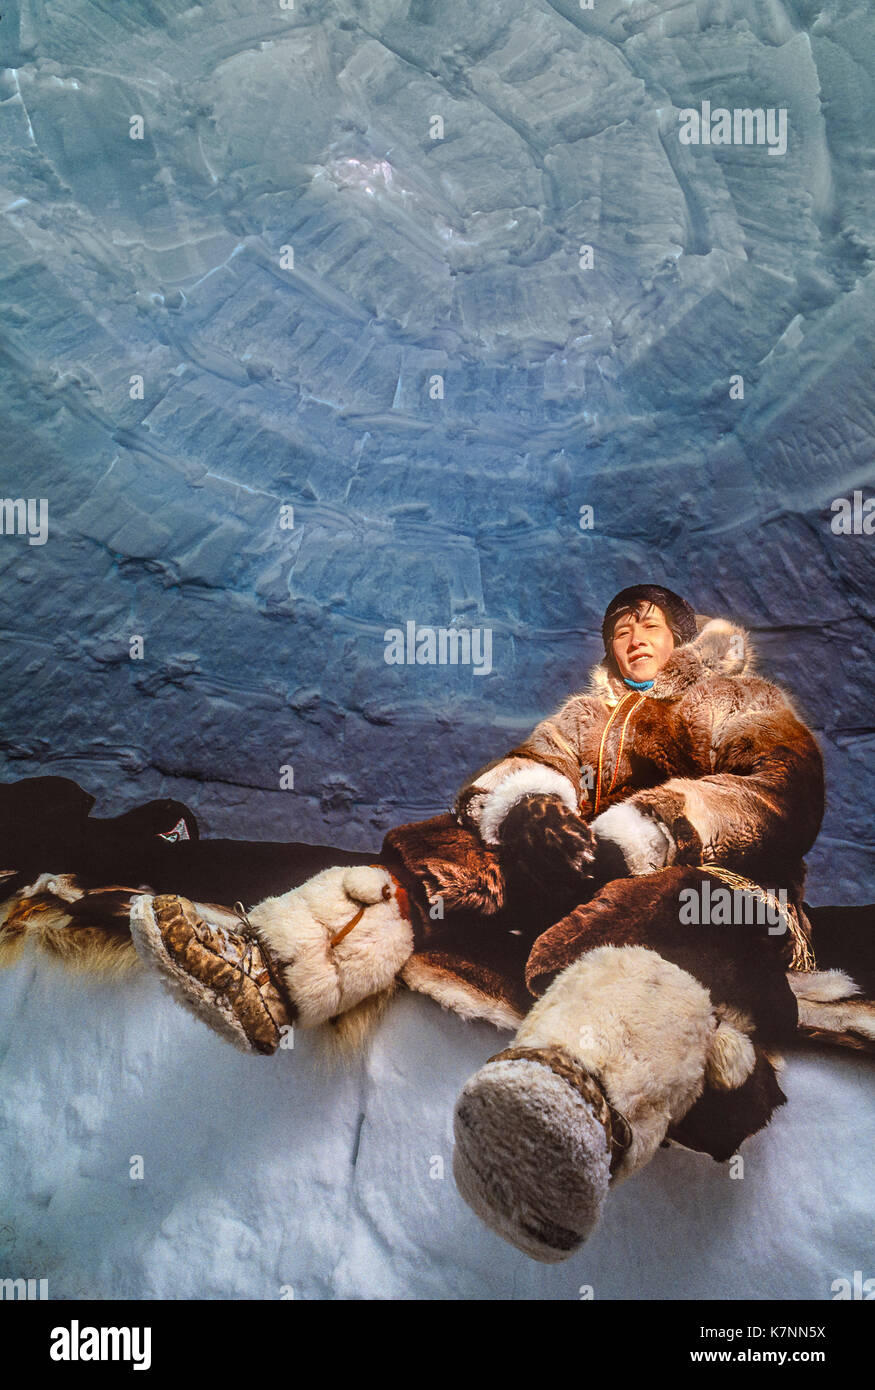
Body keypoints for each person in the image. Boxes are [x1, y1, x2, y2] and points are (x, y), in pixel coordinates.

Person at [7, 585, 869, 1258]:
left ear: (681, 635)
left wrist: (640, 836)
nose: (632, 637)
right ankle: (274, 966)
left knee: (664, 906)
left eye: (648, 623)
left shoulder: (734, 699)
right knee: (451, 845)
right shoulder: (586, 712)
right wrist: (531, 814)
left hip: (730, 901)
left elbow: (775, 791)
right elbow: (530, 764)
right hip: (579, 883)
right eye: (618, 628)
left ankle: (568, 1110)